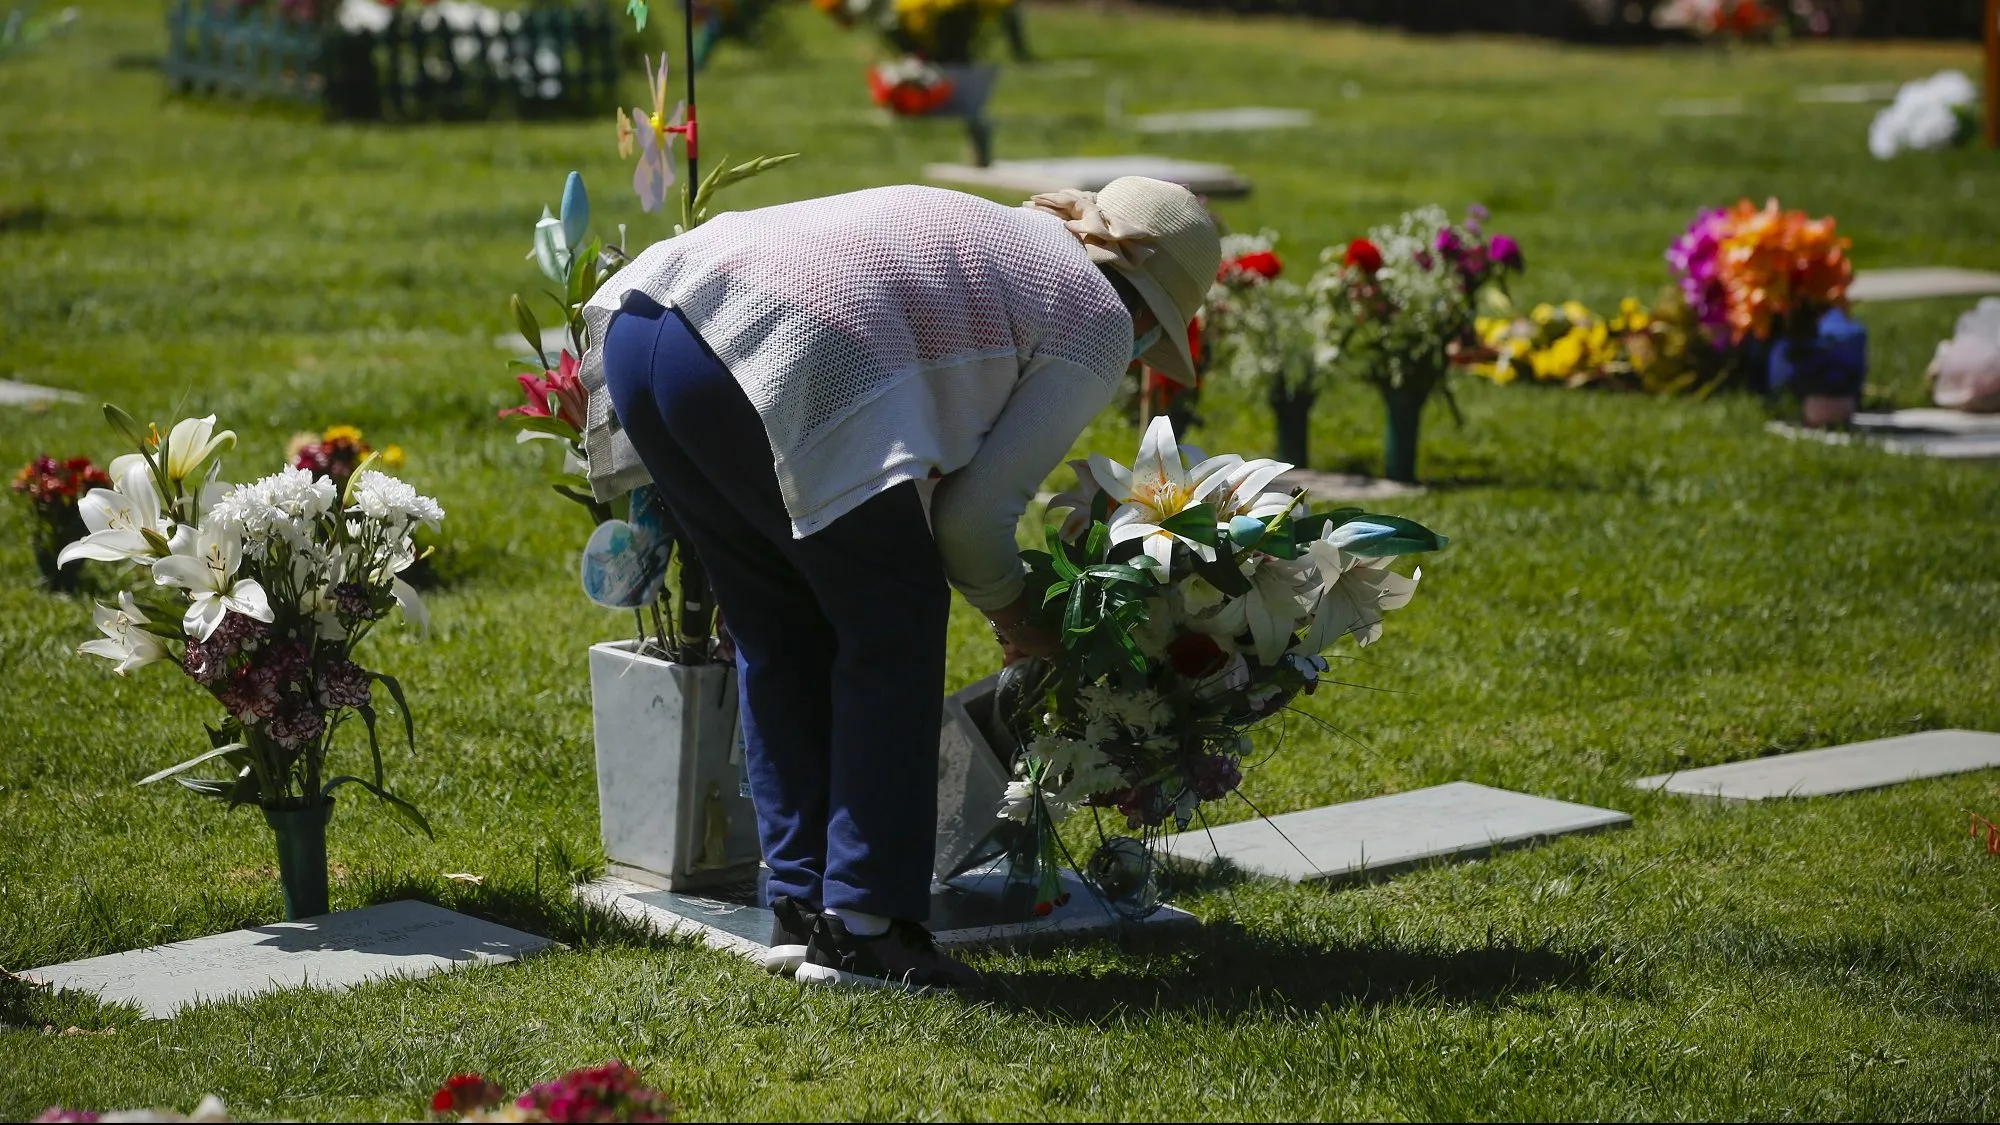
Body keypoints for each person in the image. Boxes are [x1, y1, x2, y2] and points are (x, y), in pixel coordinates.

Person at [578, 177, 1220, 991]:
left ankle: (802, 904)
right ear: (1145, 314)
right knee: (895, 614)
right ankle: (870, 928)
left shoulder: (1011, 243)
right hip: (774, 353)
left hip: (651, 327)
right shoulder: (1094, 316)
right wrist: (1019, 612)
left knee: (781, 624)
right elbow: (971, 518)